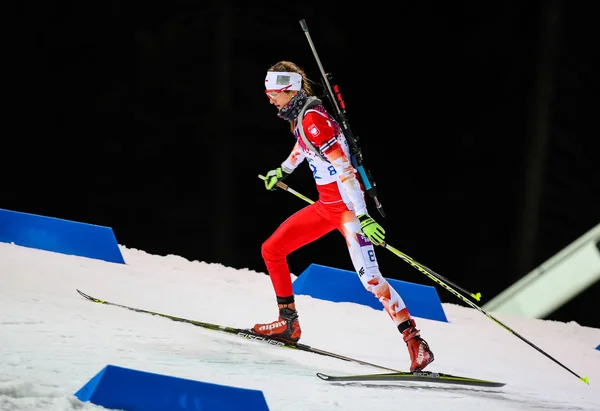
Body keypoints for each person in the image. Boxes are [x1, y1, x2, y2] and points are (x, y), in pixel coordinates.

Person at [253, 60, 434, 372]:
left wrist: (363, 216)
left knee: (372, 280)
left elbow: (346, 171)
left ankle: (416, 343)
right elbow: (302, 148)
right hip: (326, 207)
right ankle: (288, 324)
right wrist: (281, 170)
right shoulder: (302, 118)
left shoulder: (313, 120)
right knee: (272, 249)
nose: (269, 98)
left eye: (273, 93)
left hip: (348, 210)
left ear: (289, 90)